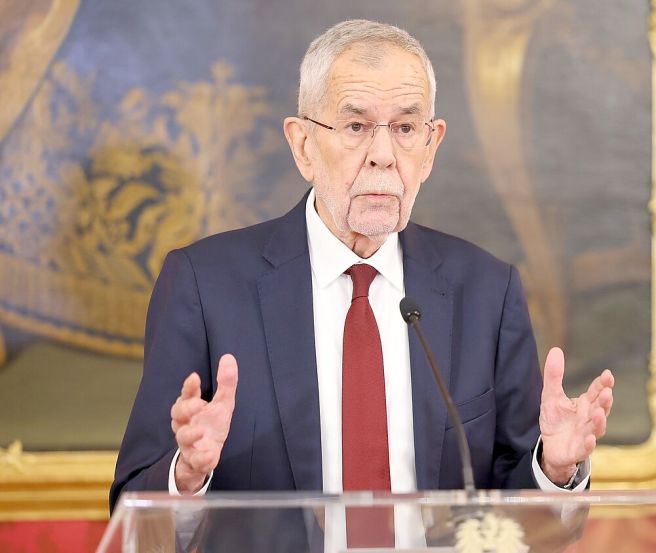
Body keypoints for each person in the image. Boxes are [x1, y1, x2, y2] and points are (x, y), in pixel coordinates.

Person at [111, 18, 614, 548]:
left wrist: (553, 469)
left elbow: (514, 521)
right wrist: (187, 476)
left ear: (431, 146)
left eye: (404, 128)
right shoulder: (205, 285)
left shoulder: (486, 291)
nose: (382, 154)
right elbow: (133, 510)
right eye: (355, 127)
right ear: (303, 145)